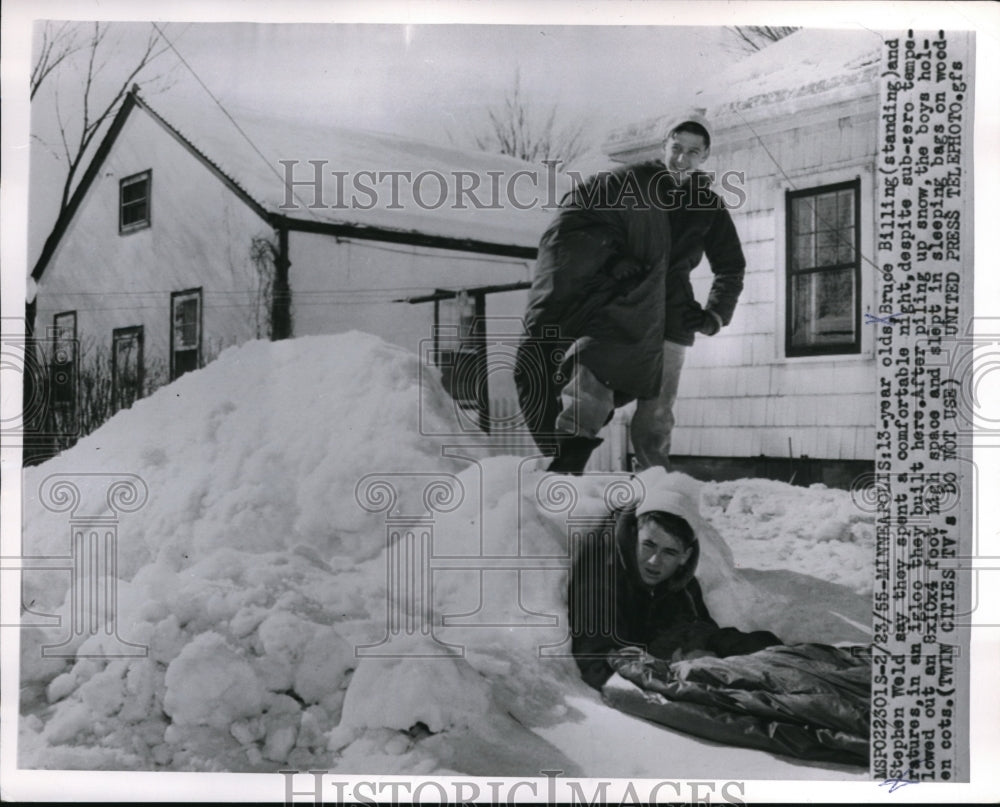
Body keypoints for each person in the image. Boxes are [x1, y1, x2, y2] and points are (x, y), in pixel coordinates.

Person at [516, 111, 746, 474]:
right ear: (663, 146)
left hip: (673, 316)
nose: (681, 158)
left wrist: (713, 316)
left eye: (693, 152)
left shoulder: (709, 206)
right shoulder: (629, 185)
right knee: (588, 391)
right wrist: (612, 259)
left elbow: (731, 266)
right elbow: (575, 224)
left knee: (656, 415)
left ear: (705, 157)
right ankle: (564, 477)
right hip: (622, 307)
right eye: (676, 147)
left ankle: (653, 495)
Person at [569, 471, 780, 690]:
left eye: (669, 552)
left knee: (765, 652)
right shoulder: (603, 582)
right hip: (645, 671)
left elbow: (702, 631)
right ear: (634, 537)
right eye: (648, 545)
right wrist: (673, 665)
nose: (654, 561)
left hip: (664, 657)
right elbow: (596, 665)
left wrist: (705, 652)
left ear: (684, 557)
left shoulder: (682, 584)